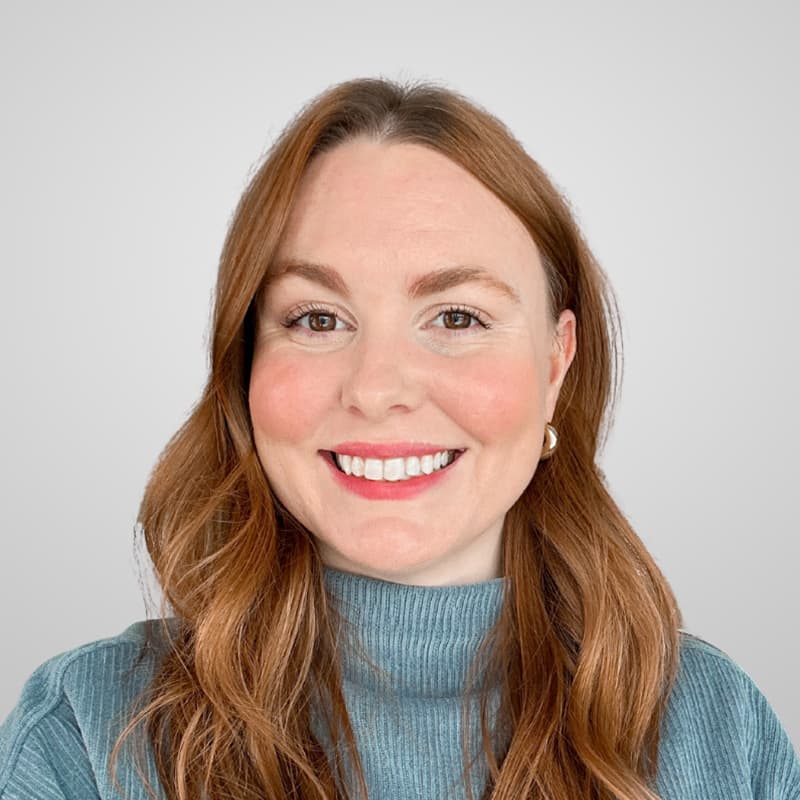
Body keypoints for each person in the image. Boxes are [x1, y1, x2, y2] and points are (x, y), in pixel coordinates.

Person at [0, 76, 797, 800]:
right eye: (317, 319)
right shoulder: (86, 736)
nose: (377, 388)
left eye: (456, 318)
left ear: (557, 362)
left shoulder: (719, 731)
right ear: (245, 364)